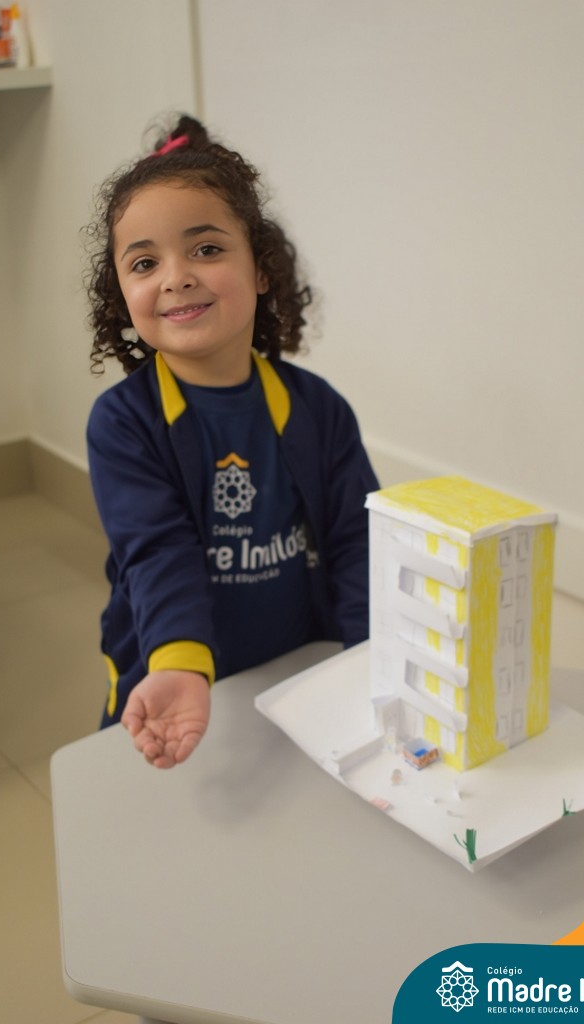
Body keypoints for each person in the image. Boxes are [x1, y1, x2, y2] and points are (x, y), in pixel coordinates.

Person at [85, 114, 378, 770]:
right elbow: (156, 551)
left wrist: (367, 658)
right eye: (144, 262)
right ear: (122, 293)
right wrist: (181, 667)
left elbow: (358, 545)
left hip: (300, 676)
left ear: (262, 269)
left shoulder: (320, 409)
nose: (175, 276)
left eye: (207, 249)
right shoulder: (122, 423)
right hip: (172, 677)